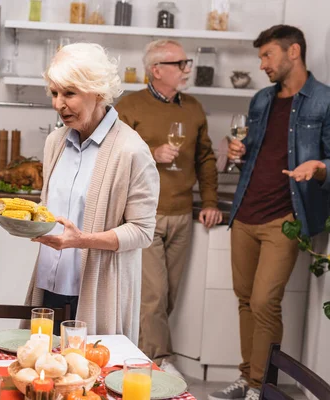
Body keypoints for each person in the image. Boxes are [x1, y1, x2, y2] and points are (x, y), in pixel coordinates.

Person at [209, 25, 330, 400]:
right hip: (245, 212)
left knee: (264, 301)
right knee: (245, 299)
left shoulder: (324, 101)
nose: (262, 64)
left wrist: (320, 167)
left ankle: (262, 385)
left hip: (286, 218)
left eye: (267, 55)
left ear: (293, 52)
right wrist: (236, 154)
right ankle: (247, 379)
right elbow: (252, 149)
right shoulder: (261, 99)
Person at [25, 43, 160, 343]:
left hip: (96, 292)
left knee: (88, 380)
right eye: (54, 93)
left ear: (98, 91)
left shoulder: (131, 150)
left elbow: (142, 231)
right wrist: (28, 220)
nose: (59, 104)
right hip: (48, 286)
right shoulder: (55, 142)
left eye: (69, 93)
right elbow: (50, 208)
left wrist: (83, 241)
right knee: (41, 374)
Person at [115, 39, 222, 378]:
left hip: (182, 213)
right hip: (144, 215)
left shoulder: (193, 108)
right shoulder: (129, 106)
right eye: (180, 64)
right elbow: (113, 155)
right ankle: (158, 362)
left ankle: (143, 353)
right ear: (156, 70)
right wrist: (151, 151)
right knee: (154, 293)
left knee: (168, 295)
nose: (187, 69)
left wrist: (209, 201)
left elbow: (205, 159)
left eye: (186, 63)